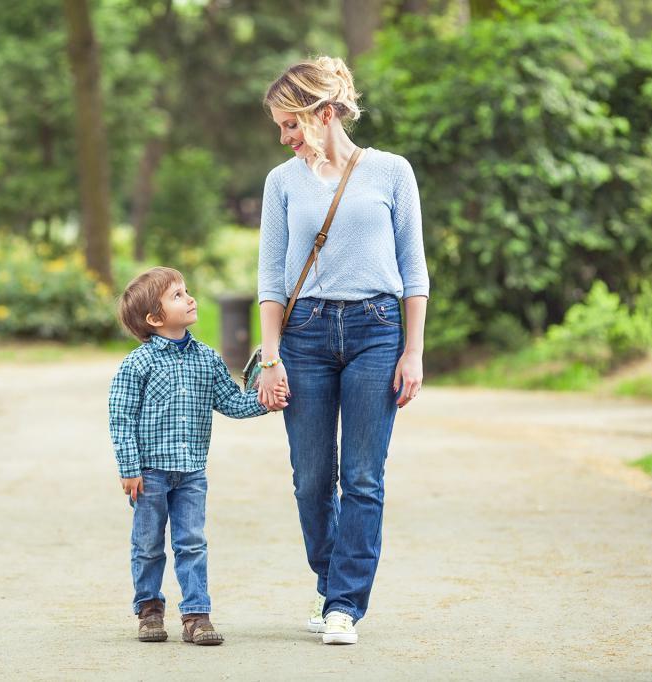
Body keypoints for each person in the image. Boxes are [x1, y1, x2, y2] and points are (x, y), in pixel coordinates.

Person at [255, 57, 430, 645]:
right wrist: (271, 358)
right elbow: (271, 279)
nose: (285, 137)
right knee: (311, 479)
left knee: (362, 476)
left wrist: (413, 351)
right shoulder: (282, 182)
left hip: (375, 331)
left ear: (324, 113)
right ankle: (331, 580)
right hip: (304, 335)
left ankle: (344, 606)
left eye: (292, 124)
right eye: (280, 127)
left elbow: (413, 271)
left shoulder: (392, 172)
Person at [108, 266, 287, 645]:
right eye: (177, 295)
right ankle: (149, 610)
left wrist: (265, 398)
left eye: (186, 291)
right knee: (147, 545)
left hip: (191, 474)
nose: (190, 299)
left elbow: (233, 403)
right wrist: (129, 468)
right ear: (154, 319)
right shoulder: (137, 364)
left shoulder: (208, 359)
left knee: (191, 543)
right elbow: (121, 417)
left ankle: (196, 615)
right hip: (149, 474)